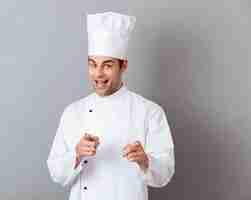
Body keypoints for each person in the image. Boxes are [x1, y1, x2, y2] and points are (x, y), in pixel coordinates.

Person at [47, 11, 175, 200]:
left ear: (123, 66)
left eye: (107, 65)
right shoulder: (73, 112)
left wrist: (145, 160)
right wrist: (76, 155)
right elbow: (56, 172)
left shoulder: (149, 112)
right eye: (92, 64)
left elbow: (165, 174)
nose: (98, 74)